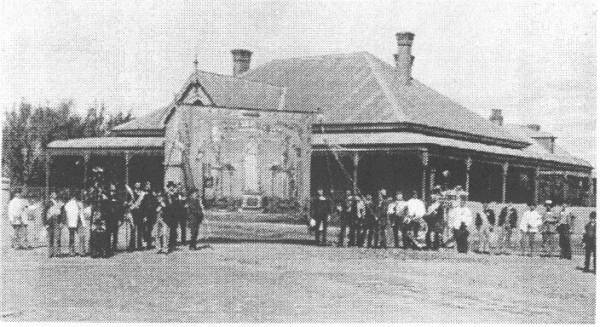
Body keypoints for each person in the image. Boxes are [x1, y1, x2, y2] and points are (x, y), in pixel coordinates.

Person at [43, 191, 65, 257]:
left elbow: (63, 213)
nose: (55, 195)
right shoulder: (48, 203)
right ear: (51, 195)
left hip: (57, 221)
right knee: (50, 238)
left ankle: (57, 253)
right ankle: (50, 253)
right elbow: (44, 213)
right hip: (49, 222)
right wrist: (45, 223)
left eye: (55, 194)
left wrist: (62, 222)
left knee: (57, 238)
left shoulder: (60, 203)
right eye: (53, 194)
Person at [126, 182, 146, 251]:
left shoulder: (142, 194)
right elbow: (128, 203)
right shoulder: (131, 193)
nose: (138, 185)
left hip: (140, 214)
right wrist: (130, 203)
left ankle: (139, 246)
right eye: (137, 184)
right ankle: (132, 246)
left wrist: (144, 216)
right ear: (134, 185)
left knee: (140, 230)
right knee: (132, 230)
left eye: (139, 184)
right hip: (133, 213)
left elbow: (144, 205)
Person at [141, 182, 159, 250]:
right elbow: (143, 206)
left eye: (150, 185)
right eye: (148, 185)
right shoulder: (143, 194)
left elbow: (155, 203)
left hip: (152, 214)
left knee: (150, 229)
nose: (149, 186)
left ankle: (150, 243)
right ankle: (146, 243)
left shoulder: (152, 194)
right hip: (146, 214)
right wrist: (144, 216)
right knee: (145, 230)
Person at [64, 192, 82, 256]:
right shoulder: (78, 204)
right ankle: (80, 251)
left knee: (71, 238)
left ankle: (71, 251)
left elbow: (65, 214)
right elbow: (80, 213)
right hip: (77, 222)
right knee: (80, 237)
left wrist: (66, 222)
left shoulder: (67, 204)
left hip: (70, 223)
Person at [164, 181, 180, 252]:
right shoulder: (165, 195)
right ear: (168, 187)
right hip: (167, 215)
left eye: (172, 187)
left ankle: (173, 244)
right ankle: (167, 244)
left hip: (175, 215)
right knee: (167, 230)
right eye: (170, 187)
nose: (171, 188)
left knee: (174, 230)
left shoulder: (175, 195)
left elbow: (177, 205)